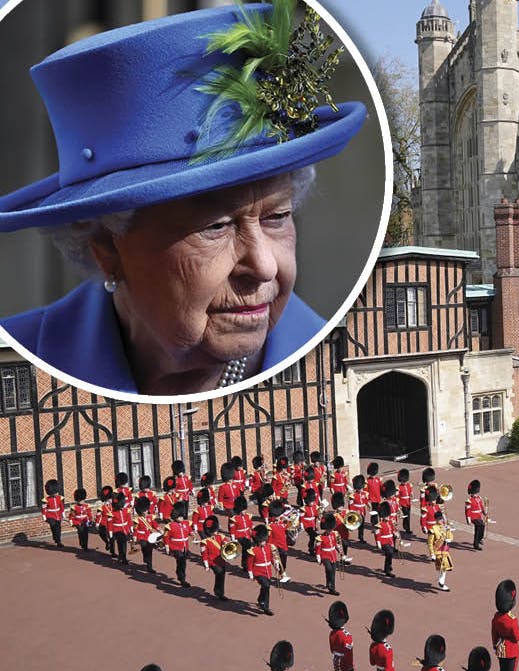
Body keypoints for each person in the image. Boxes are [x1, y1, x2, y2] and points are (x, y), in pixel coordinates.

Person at [0, 4, 367, 396]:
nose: (262, 266)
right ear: (106, 248)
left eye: (277, 217)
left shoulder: (326, 352)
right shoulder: (25, 353)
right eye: (216, 226)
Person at [491, 579, 519, 671]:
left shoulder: (496, 616)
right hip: (511, 651)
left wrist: (495, 645)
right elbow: (517, 636)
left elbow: (494, 632)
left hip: (501, 649)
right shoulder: (512, 620)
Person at [198, 515, 231, 600]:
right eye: (215, 530)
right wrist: (206, 565)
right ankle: (219, 592)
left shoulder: (221, 536)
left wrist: (225, 545)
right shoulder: (204, 542)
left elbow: (227, 543)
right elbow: (204, 554)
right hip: (212, 562)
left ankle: (220, 593)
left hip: (221, 560)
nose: (216, 531)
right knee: (219, 573)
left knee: (221, 576)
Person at [249, 524, 276, 615]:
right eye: (262, 541)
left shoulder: (269, 547)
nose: (263, 542)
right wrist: (251, 574)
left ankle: (262, 601)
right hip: (258, 572)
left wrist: (275, 564)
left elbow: (271, 558)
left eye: (264, 540)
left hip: (267, 571)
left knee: (266, 587)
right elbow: (250, 563)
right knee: (266, 585)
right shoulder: (253, 550)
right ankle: (265, 606)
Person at [164, 501, 193, 587]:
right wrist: (167, 546)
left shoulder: (186, 523)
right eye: (180, 516)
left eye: (182, 516)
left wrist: (192, 534)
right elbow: (166, 537)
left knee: (182, 563)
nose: (182, 518)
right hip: (175, 547)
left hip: (184, 546)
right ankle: (182, 579)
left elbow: (189, 531)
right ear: (175, 516)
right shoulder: (170, 526)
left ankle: (180, 575)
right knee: (181, 561)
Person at [132, 496, 160, 573]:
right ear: (141, 511)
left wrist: (158, 529)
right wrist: (134, 537)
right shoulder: (138, 519)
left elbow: (154, 524)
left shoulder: (151, 517)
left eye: (146, 510)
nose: (146, 511)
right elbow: (136, 529)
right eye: (144, 510)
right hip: (141, 537)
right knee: (144, 548)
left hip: (149, 536)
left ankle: (149, 567)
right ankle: (146, 558)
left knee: (149, 550)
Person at [316, 513, 342, 596]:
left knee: (332, 572)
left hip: (333, 554)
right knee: (329, 569)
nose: (330, 531)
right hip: (325, 555)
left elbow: (335, 544)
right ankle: (330, 585)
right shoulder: (320, 538)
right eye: (328, 529)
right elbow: (318, 548)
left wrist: (340, 551)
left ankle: (331, 588)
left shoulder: (334, 534)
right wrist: (318, 556)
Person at [429, 510, 454, 592]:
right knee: (443, 566)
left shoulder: (445, 527)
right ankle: (441, 582)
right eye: (440, 519)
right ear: (436, 520)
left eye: (442, 519)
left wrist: (449, 536)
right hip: (438, 551)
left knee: (445, 567)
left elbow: (450, 537)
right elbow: (430, 543)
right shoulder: (433, 529)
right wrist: (432, 554)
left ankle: (441, 581)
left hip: (445, 550)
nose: (441, 520)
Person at [326, 600, 354, 671]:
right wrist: (350, 668)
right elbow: (349, 655)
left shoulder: (332, 633)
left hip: (336, 661)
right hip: (344, 663)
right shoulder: (347, 636)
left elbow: (332, 650)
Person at [229, 495, 254, 573]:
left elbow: (250, 525)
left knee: (248, 551)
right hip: (240, 536)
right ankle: (245, 565)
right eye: (243, 510)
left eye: (245, 509)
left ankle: (247, 565)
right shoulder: (234, 519)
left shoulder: (248, 516)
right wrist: (233, 539)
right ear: (240, 509)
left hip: (247, 535)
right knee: (246, 550)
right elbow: (232, 530)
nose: (245, 511)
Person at [109, 492, 133, 565]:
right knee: (120, 544)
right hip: (117, 530)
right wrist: (110, 531)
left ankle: (123, 557)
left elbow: (129, 519)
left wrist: (131, 528)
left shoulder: (126, 510)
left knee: (124, 543)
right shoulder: (112, 512)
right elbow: (110, 523)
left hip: (125, 529)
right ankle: (122, 556)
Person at [376, 500, 397, 577]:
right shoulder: (379, 525)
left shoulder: (390, 522)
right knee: (390, 553)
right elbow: (378, 535)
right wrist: (378, 543)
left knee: (389, 555)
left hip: (390, 540)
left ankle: (386, 568)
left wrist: (395, 534)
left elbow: (393, 530)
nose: (388, 517)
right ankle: (388, 570)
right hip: (384, 542)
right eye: (387, 516)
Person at [41, 479, 64, 547]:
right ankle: (58, 541)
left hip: (58, 514)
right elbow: (44, 508)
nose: (57, 493)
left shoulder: (60, 498)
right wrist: (44, 516)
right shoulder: (46, 500)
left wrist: (63, 514)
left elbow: (61, 507)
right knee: (54, 527)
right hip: (50, 515)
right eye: (55, 491)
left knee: (58, 528)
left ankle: (57, 540)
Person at [466, 479, 488, 550]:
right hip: (473, 517)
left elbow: (481, 506)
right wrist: (468, 519)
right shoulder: (469, 501)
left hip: (479, 516)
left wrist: (484, 512)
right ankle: (478, 541)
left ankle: (478, 541)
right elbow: (467, 511)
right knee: (480, 525)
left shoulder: (479, 498)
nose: (475, 494)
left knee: (479, 528)